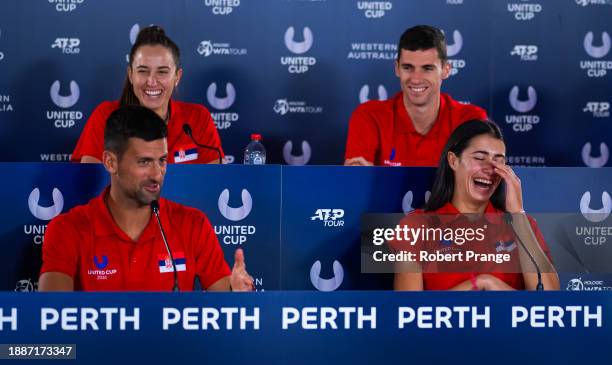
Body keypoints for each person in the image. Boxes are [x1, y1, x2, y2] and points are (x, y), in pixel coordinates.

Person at [40, 106, 252, 291]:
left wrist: (237, 293)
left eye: (162, 160)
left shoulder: (193, 224)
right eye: (144, 162)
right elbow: (50, 316)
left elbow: (228, 307)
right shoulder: (67, 229)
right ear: (110, 162)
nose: (156, 173)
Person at [393, 120, 560, 290]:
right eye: (480, 158)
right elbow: (408, 310)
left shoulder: (522, 224)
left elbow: (549, 302)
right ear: (453, 161)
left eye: (498, 161)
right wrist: (479, 284)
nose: (490, 169)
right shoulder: (416, 226)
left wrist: (517, 213)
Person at [72, 25, 223, 164]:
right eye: (143, 71)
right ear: (131, 75)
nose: (151, 81)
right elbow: (90, 185)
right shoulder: (105, 116)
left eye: (162, 72)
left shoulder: (198, 118)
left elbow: (216, 183)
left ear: (177, 76)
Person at [345, 25, 487, 167]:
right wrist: (357, 175)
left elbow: (476, 182)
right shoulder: (369, 115)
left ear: (446, 70)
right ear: (397, 68)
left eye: (427, 68)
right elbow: (355, 182)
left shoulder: (471, 119)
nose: (416, 79)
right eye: (408, 68)